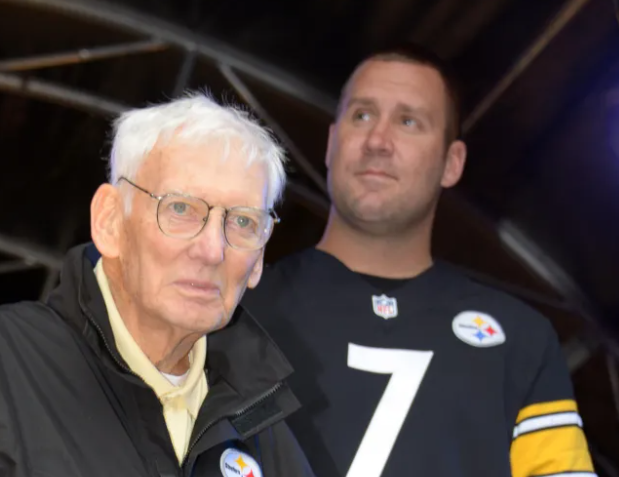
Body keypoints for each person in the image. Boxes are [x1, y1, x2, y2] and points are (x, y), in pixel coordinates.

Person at [0, 93, 316, 477]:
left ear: (258, 259)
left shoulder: (263, 432)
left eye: (241, 222)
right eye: (180, 210)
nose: (212, 249)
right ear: (110, 221)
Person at [241, 45, 595, 477]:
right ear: (332, 143)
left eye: (408, 121)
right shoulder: (237, 311)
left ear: (452, 162)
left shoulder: (522, 342)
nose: (377, 141)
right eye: (362, 115)